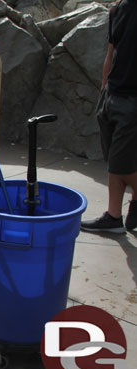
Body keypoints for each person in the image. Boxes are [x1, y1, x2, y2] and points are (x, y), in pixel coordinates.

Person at [81, 0, 137, 234]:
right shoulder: (119, 10)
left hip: (133, 101)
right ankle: (116, 215)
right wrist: (104, 90)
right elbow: (111, 53)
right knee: (116, 162)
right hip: (112, 95)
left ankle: (115, 216)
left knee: (119, 164)